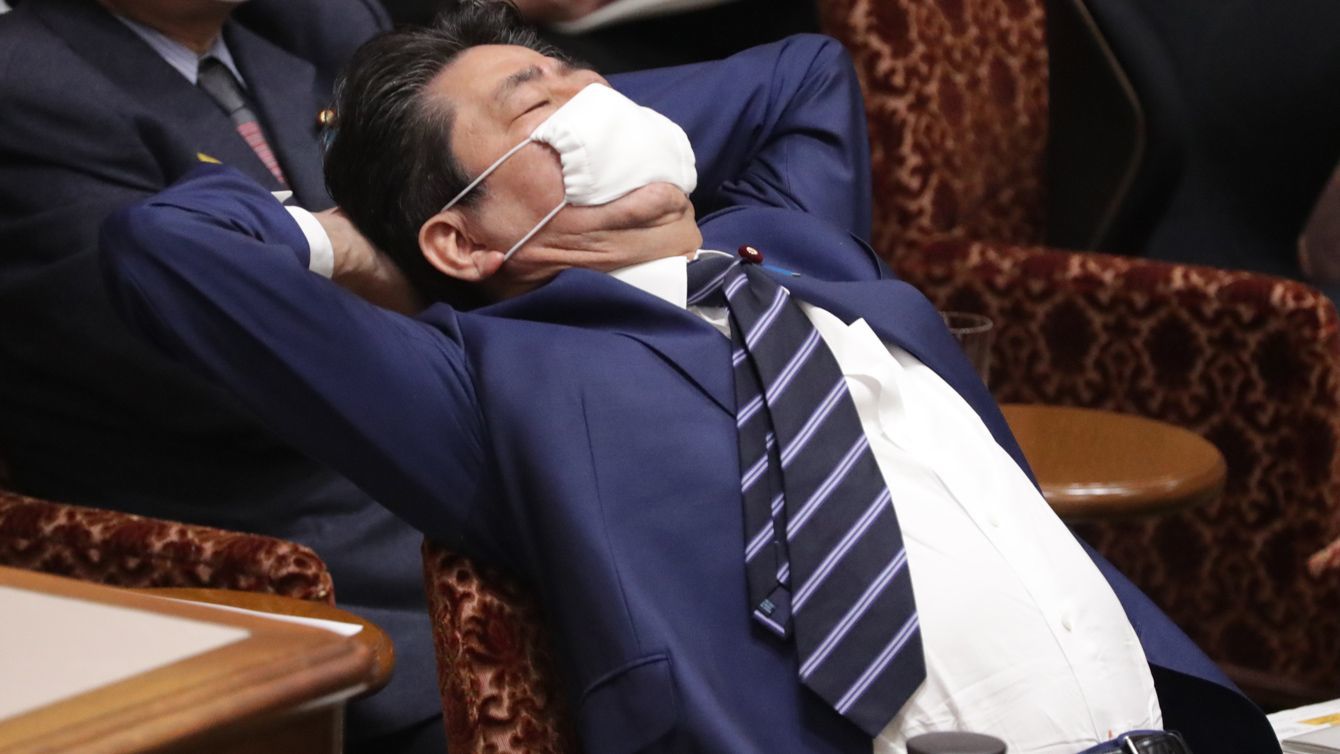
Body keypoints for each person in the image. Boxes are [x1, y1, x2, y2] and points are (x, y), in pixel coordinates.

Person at [101, 2, 1280, 752]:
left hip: (1173, 726)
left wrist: (578, 108)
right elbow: (165, 250)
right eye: (535, 106)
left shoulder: (793, 241)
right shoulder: (495, 386)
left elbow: (803, 72)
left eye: (587, 82)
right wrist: (350, 234)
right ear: (459, 239)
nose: (593, 106)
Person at [0, 1, 446, 749]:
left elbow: (503, 207)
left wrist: (374, 266)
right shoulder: (23, 83)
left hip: (443, 471)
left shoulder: (314, 22)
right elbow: (218, 362)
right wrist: (425, 271)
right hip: (279, 546)